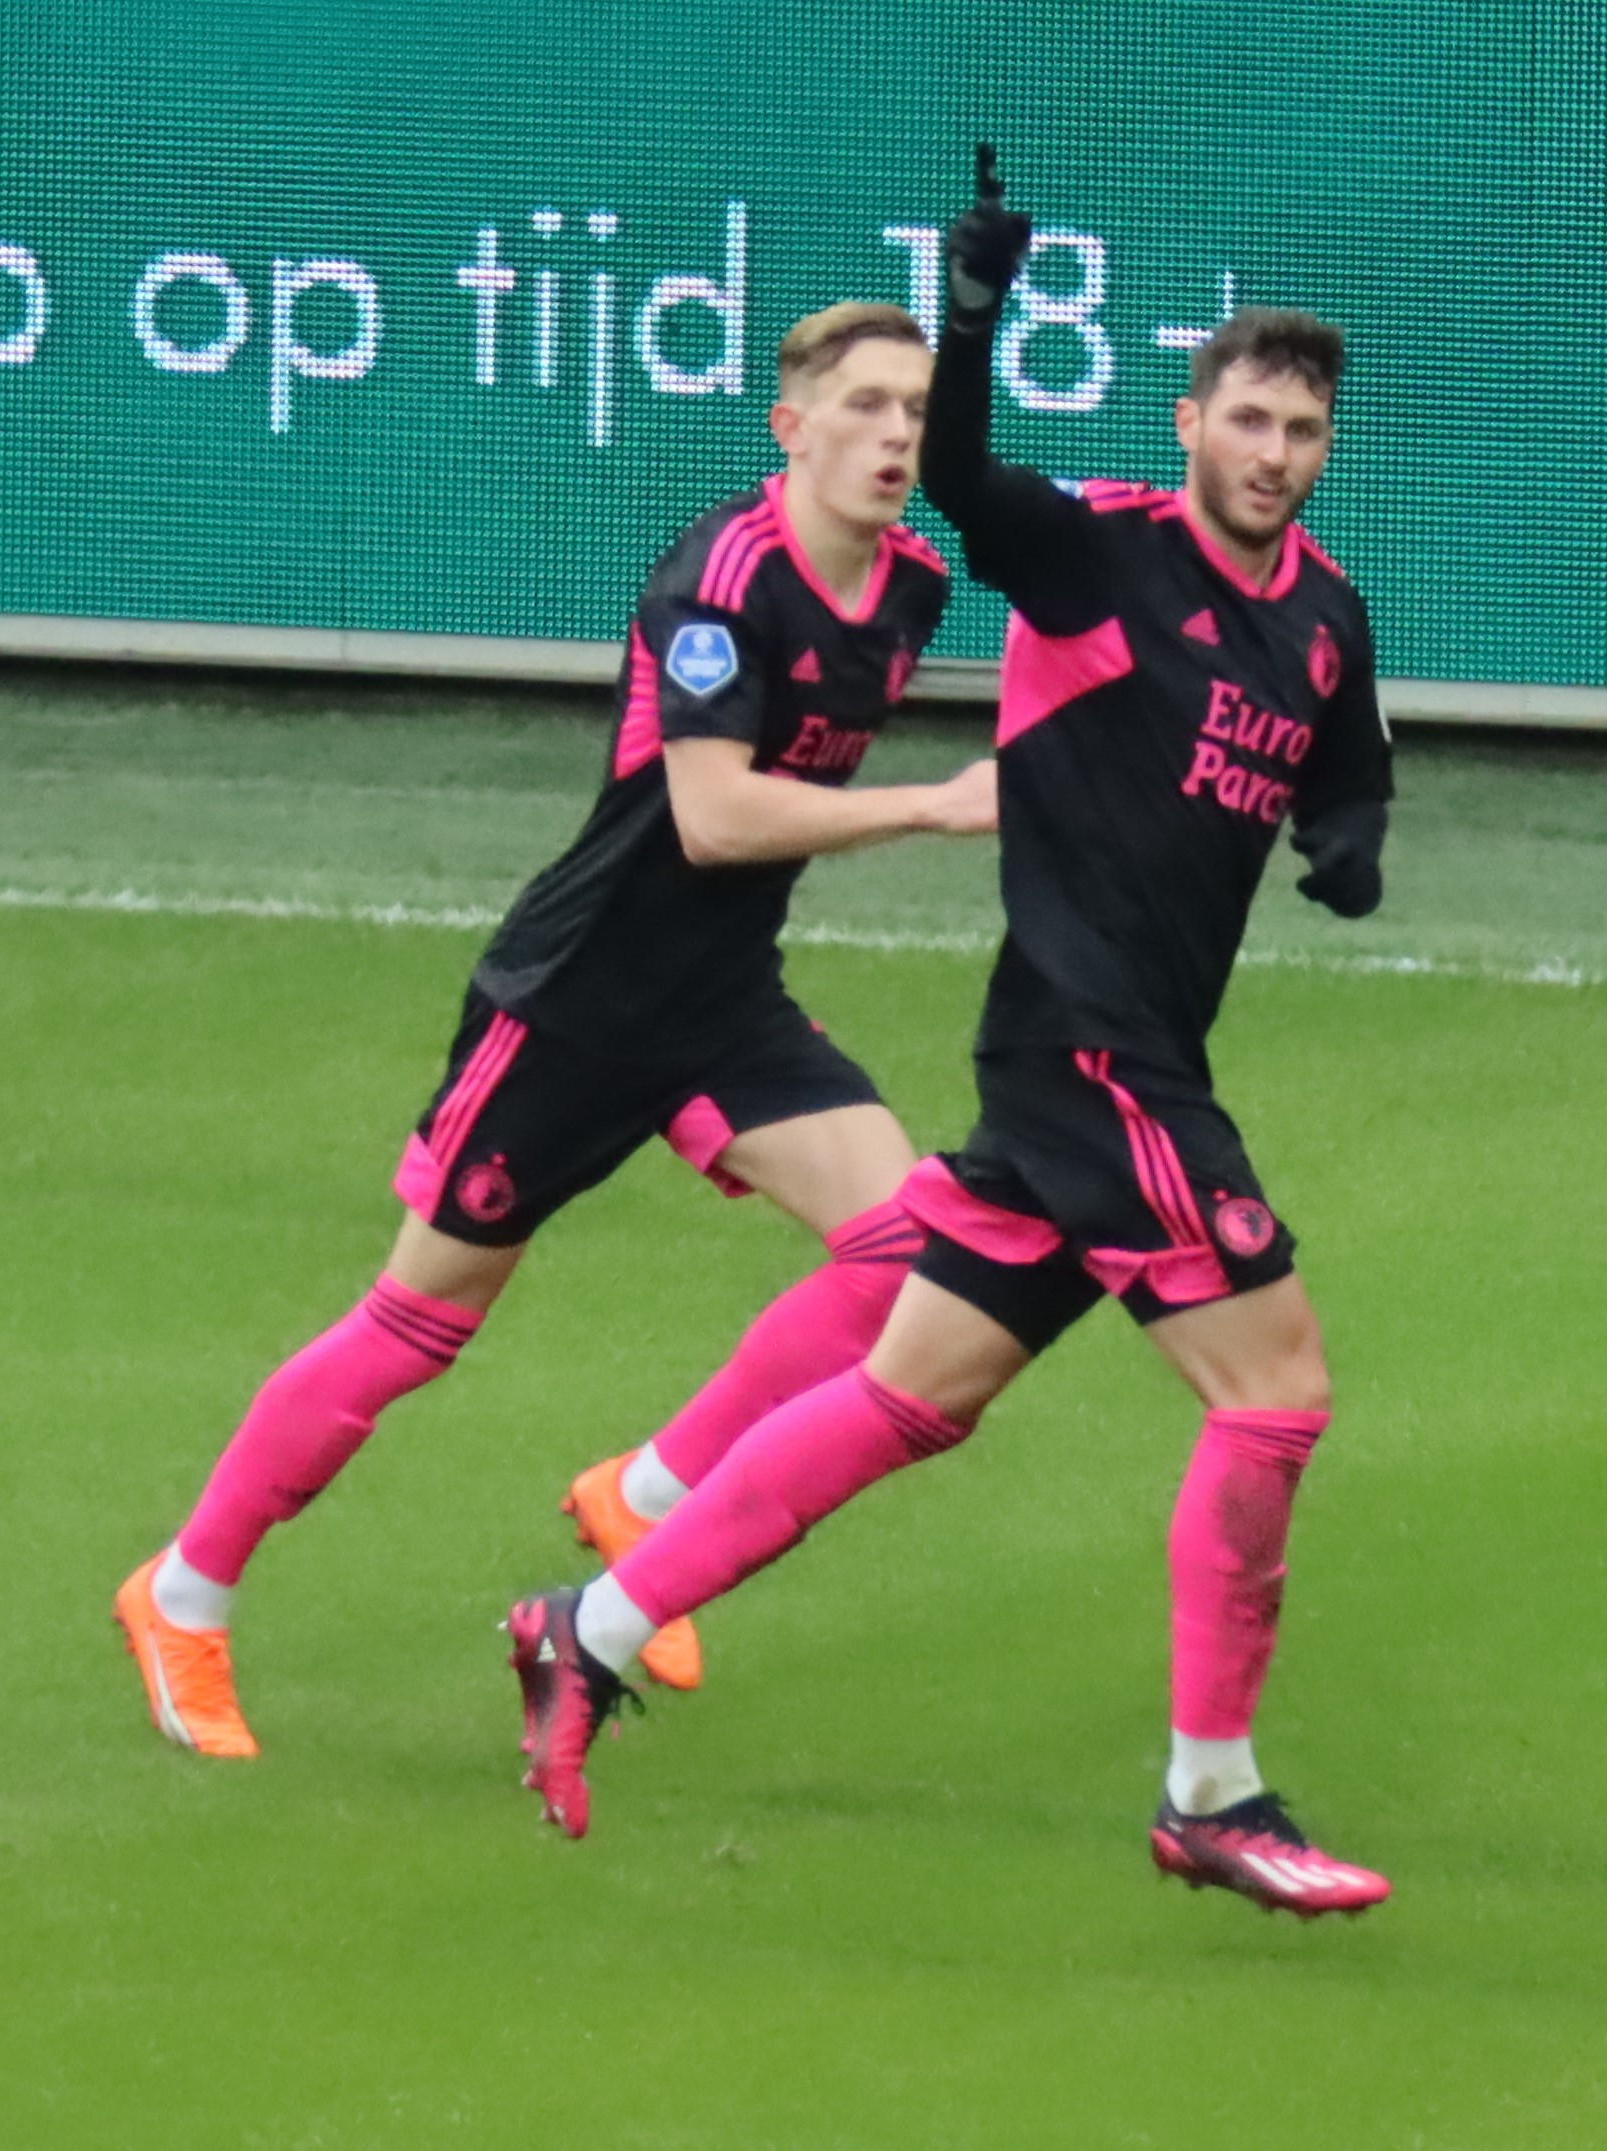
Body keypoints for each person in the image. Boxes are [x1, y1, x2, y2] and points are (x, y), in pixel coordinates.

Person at [507, 150, 1396, 1917]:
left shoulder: (1323, 613)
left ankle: (584, 1628)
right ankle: (1209, 1795)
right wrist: (971, 304)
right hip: (1086, 1053)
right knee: (1275, 1394)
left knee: (913, 1397)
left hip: (1120, 1056)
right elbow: (972, 473)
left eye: (1300, 430)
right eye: (1246, 420)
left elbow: (1346, 751)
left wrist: (1345, 842)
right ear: (1192, 418)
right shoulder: (1096, 558)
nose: (1272, 454)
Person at [115, 302, 996, 1758]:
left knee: (911, 1250)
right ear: (789, 428)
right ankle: (185, 1593)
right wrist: (931, 804)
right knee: (415, 1329)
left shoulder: (913, 587)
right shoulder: (716, 588)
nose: (895, 433)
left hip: (722, 1004)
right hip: (575, 1005)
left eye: (915, 407)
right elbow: (711, 820)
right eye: (863, 405)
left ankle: (643, 1499)